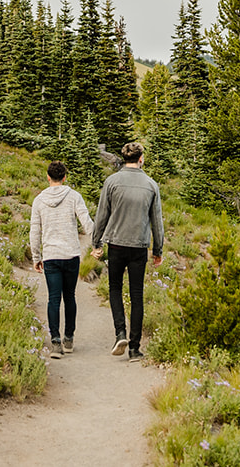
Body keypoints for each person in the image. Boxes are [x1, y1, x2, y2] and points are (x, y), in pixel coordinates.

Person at [91, 141, 163, 360]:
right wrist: (158, 249)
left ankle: (120, 332)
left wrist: (96, 243)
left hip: (116, 244)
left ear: (124, 158)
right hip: (139, 246)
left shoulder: (111, 182)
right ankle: (134, 348)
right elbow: (157, 221)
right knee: (137, 294)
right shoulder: (151, 185)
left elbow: (102, 214)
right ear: (141, 158)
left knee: (114, 288)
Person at [30, 160, 94, 359]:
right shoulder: (74, 196)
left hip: (51, 256)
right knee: (70, 297)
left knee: (53, 299)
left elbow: (35, 231)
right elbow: (87, 222)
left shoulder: (39, 200)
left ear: (48, 177)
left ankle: (55, 342)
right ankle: (69, 338)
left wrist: (36, 257)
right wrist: (96, 245)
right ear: (65, 177)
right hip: (71, 254)